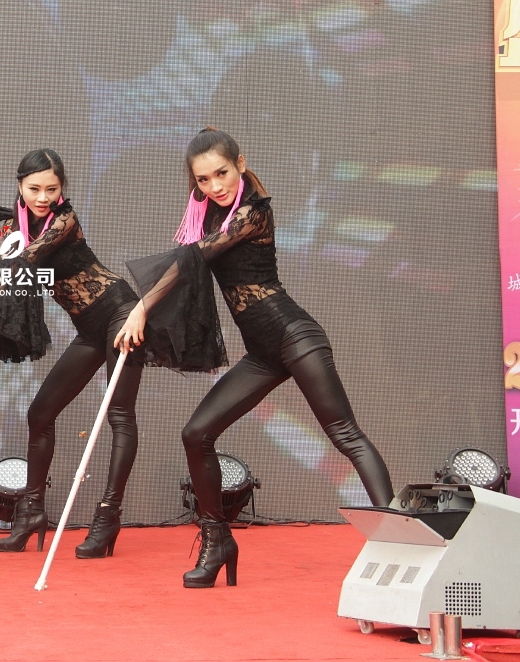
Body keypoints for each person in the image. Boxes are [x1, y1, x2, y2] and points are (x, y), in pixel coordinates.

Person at [117, 127, 394, 588]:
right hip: (263, 354)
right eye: (203, 180)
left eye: (222, 173)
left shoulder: (252, 213)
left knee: (345, 435)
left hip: (295, 336)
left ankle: (398, 542)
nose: (215, 186)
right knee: (196, 434)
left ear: (240, 165)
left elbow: (192, 259)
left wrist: (141, 308)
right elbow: (189, 261)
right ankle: (217, 542)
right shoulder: (209, 215)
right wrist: (141, 309)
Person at [0, 150, 152, 559]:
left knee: (119, 414)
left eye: (51, 189)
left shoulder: (64, 219)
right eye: (34, 189)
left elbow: (25, 262)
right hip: (89, 331)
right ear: (20, 186)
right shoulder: (16, 226)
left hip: (120, 314)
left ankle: (108, 518)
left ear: (62, 189)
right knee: (40, 414)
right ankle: (31, 512)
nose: (43, 197)